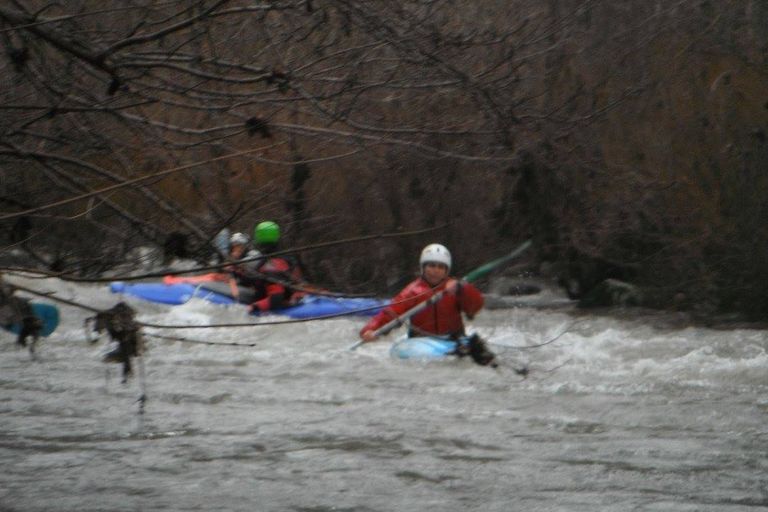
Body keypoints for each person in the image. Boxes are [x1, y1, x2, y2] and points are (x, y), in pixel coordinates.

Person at [359, 243, 496, 365]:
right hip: (421, 341)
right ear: (423, 267)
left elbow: (475, 307)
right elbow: (390, 313)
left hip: (454, 339)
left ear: (446, 270)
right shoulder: (412, 292)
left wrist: (463, 289)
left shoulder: (455, 288)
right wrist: (370, 329)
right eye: (431, 266)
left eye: (441, 267)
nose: (436, 270)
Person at [244, 221, 305, 313]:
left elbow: (276, 299)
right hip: (292, 299)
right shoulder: (285, 258)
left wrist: (254, 307)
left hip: (279, 306)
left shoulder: (270, 265)